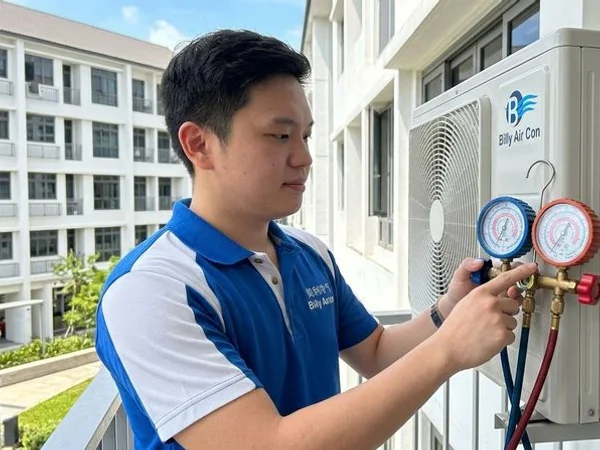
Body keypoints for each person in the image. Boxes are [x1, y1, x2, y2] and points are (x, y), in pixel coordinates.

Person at [94, 29, 537, 450]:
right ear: (199, 144)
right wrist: (447, 350)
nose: (304, 157)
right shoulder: (151, 289)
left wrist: (447, 312)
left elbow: (377, 352)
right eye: (280, 136)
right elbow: (268, 444)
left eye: (305, 135)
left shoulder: (308, 252)